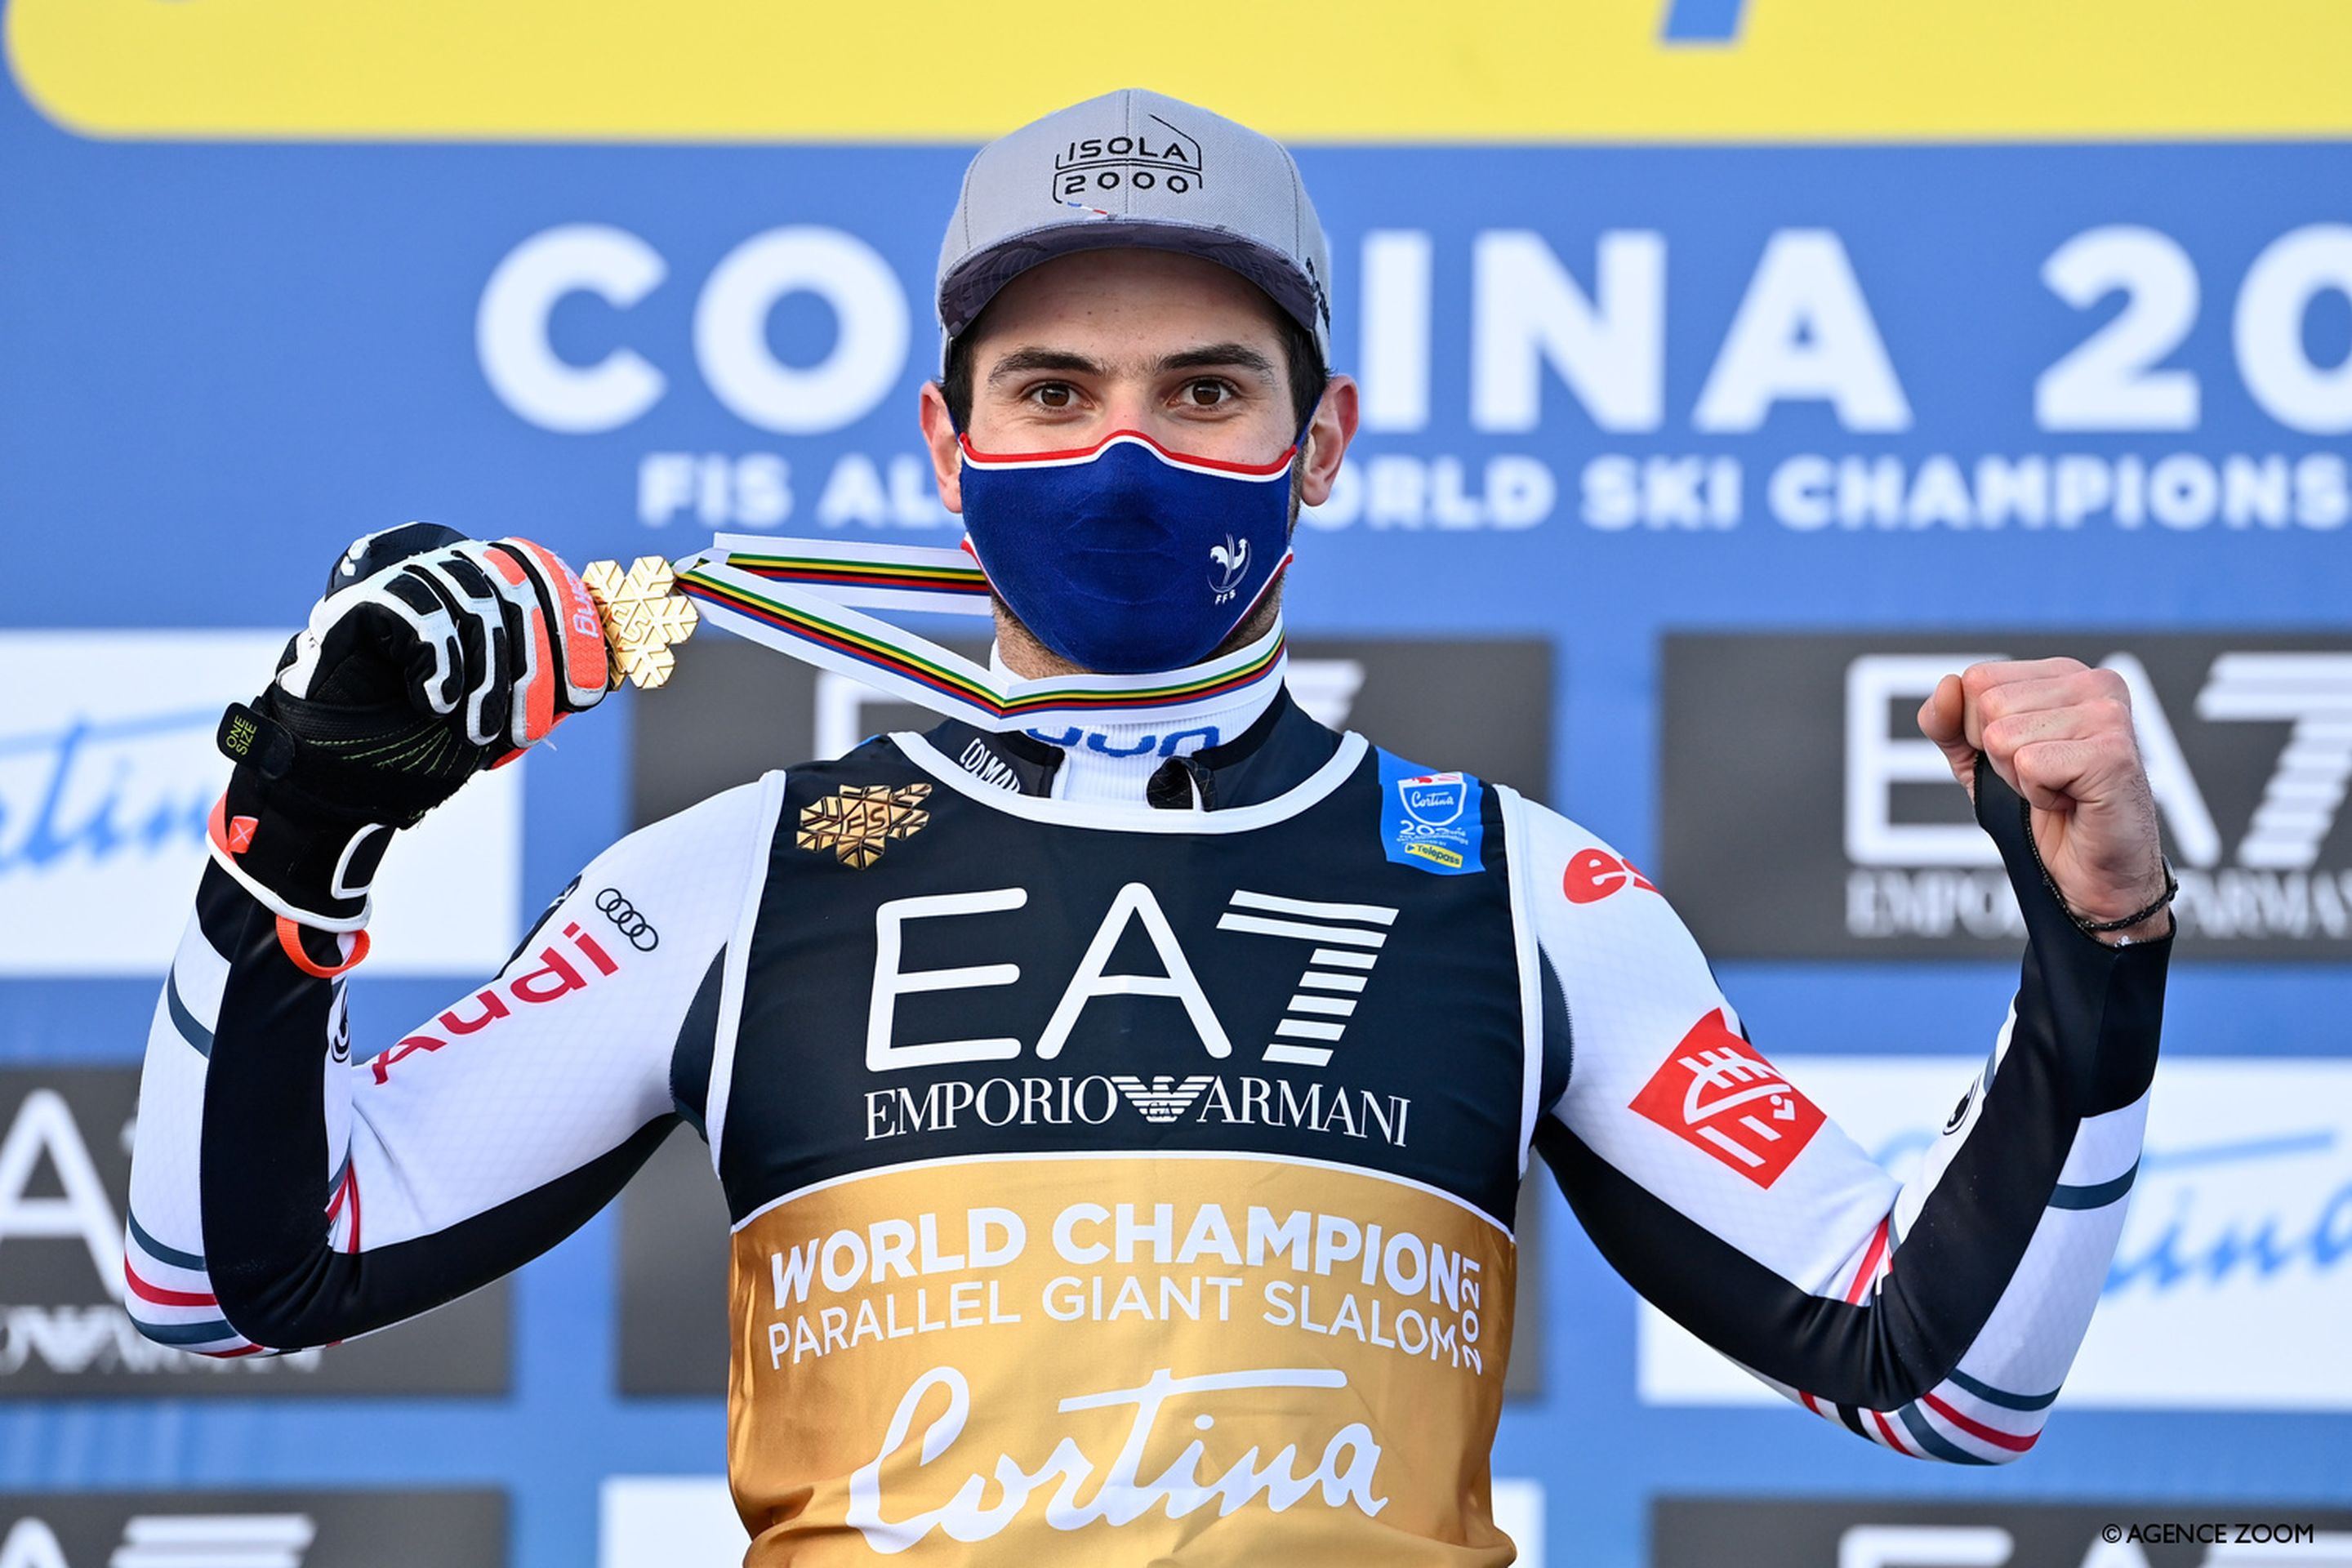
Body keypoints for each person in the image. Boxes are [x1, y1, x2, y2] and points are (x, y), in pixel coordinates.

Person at [127, 89, 2176, 1564]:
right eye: (1050, 390)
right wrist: (297, 834)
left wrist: (2100, 950)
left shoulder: (1527, 893)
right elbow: (219, 1283)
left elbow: (1948, 1372)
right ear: (948, 444)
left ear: (1322, 443)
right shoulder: (731, 881)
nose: (1120, 451)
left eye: (1204, 391)